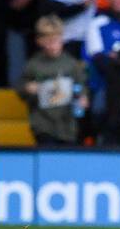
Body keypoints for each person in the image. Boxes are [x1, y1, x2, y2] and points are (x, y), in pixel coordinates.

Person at [16, 14, 89, 145]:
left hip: (67, 123)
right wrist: (28, 88)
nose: (52, 45)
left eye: (55, 40)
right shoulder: (34, 65)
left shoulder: (71, 64)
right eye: (48, 41)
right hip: (43, 122)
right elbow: (21, 88)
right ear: (39, 41)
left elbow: (80, 86)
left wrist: (83, 97)